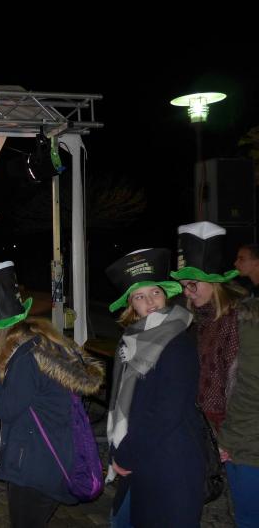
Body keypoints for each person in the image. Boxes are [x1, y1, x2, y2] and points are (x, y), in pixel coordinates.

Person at [0, 261, 103, 528]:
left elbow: (6, 408)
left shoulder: (26, 357)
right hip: (48, 461)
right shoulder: (42, 344)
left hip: (35, 469)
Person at [105, 248, 205, 527]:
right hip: (141, 456)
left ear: (166, 295)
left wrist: (125, 454)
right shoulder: (130, 341)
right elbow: (122, 400)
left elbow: (165, 412)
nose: (150, 301)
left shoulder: (178, 342)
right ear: (131, 305)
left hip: (169, 463)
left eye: (155, 292)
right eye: (140, 296)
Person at [170, 221, 245, 431]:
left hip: (226, 424)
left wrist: (231, 434)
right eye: (183, 286)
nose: (187, 292)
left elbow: (240, 385)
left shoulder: (235, 319)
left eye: (192, 285)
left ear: (214, 282)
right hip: (200, 418)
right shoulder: (197, 317)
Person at [217, 298, 259, 527]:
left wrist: (230, 441)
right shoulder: (240, 318)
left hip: (246, 447)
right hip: (238, 440)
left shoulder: (244, 321)